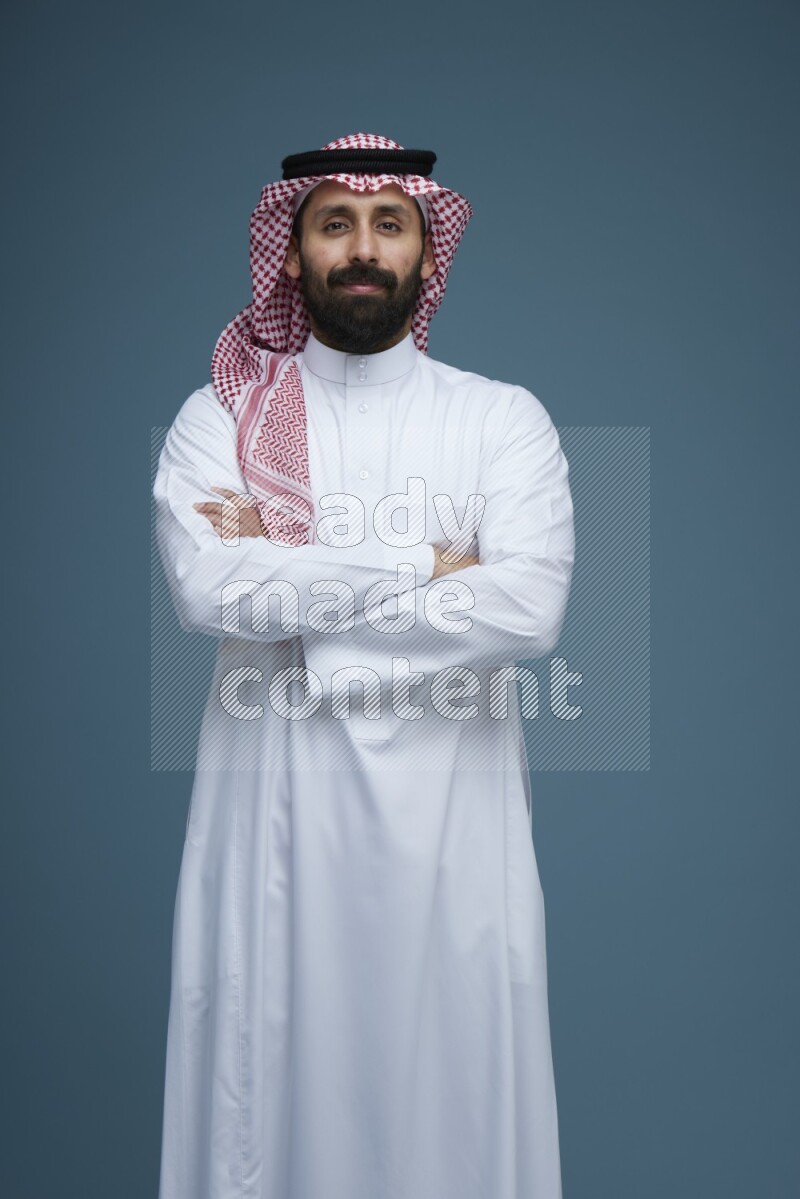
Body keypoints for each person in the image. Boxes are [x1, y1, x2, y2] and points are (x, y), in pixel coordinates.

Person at [153, 132, 575, 1199]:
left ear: (426, 255)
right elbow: (210, 591)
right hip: (272, 826)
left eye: (388, 225)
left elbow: (528, 605)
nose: (361, 248)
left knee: (454, 1084)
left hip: (454, 834)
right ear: (290, 251)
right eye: (332, 221)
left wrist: (299, 575)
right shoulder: (224, 417)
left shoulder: (499, 419)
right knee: (271, 1079)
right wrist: (420, 562)